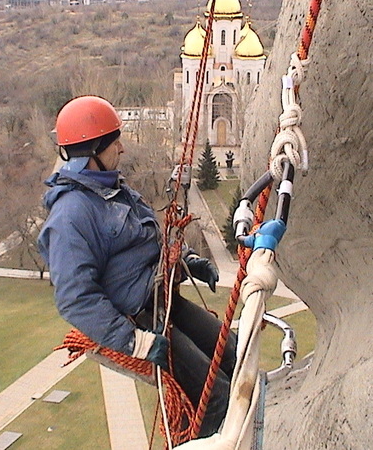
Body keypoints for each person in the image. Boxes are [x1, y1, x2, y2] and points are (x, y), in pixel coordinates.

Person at [38, 95, 236, 437]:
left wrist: (191, 261)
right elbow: (75, 297)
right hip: (138, 321)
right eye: (115, 144)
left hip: (162, 303)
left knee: (232, 351)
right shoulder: (71, 216)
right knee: (214, 397)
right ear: (93, 151)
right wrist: (135, 343)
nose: (122, 151)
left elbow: (147, 242)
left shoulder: (113, 190)